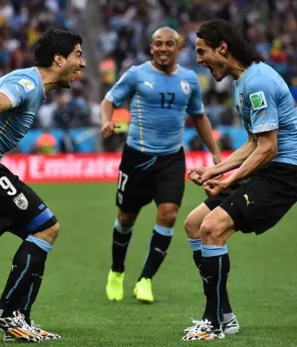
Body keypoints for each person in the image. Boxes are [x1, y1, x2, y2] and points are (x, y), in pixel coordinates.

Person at [0, 29, 86, 343]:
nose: (84, 63)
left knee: (41, 234)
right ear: (59, 59)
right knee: (46, 228)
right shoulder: (27, 83)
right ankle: (8, 313)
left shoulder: (33, 85)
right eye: (78, 54)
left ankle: (18, 318)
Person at [181, 19, 297, 341]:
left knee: (212, 228)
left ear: (222, 48)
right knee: (195, 223)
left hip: (283, 174)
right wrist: (214, 171)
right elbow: (253, 142)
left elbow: (268, 148)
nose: (198, 60)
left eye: (201, 51)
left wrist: (227, 180)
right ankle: (223, 314)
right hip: (267, 167)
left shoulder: (258, 82)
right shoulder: (242, 81)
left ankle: (214, 323)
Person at [101, 27, 222, 303]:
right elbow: (109, 101)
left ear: (179, 48)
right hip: (137, 158)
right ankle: (117, 271)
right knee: (126, 218)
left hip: (171, 158)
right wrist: (105, 122)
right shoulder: (137, 74)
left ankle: (145, 279)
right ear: (151, 48)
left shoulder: (189, 80)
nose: (164, 48)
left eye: (170, 44)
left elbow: (200, 117)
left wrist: (215, 154)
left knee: (168, 214)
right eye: (158, 44)